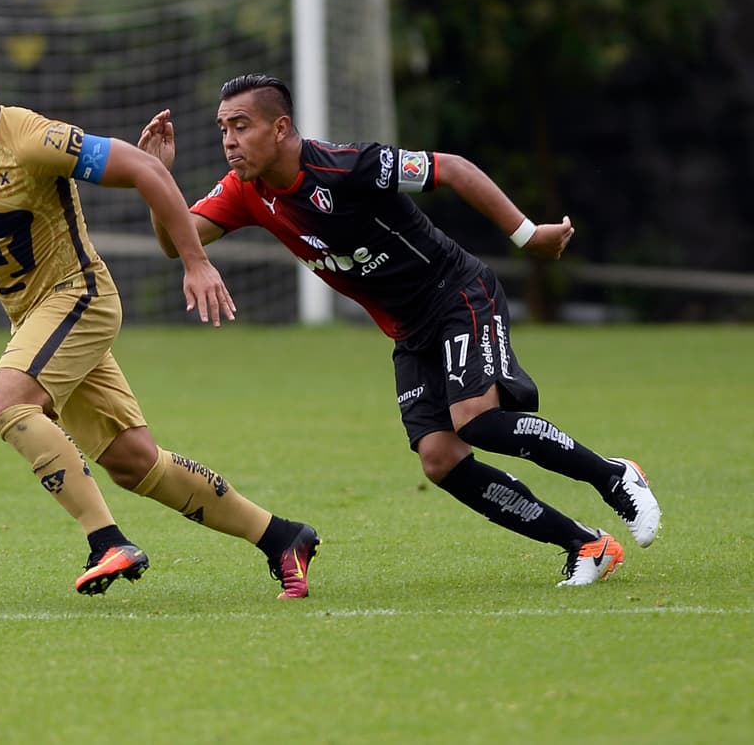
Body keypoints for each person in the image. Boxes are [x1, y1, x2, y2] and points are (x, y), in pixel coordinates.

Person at [138, 73, 662, 587]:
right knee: (440, 459)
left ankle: (614, 476)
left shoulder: (348, 166)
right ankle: (586, 545)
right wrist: (156, 178)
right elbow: (174, 241)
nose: (229, 141)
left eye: (241, 126)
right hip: (409, 330)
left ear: (280, 128)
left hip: (457, 293)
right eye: (223, 129)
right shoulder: (245, 191)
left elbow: (453, 169)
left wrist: (527, 235)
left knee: (477, 421)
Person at [0, 29, 319, 598]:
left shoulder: (31, 138)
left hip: (78, 297)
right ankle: (281, 536)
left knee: (7, 403)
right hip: (34, 319)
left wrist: (195, 262)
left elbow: (145, 170)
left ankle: (106, 541)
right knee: (135, 463)